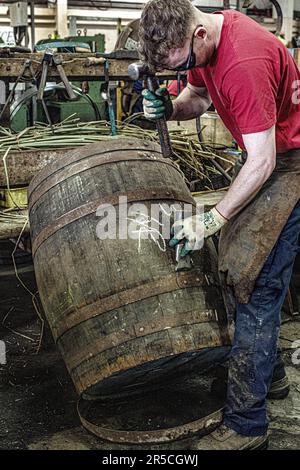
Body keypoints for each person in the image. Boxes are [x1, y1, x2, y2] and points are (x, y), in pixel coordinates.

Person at [139, 0, 300, 450]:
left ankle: (247, 425)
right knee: (236, 267)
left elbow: (263, 159)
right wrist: (168, 109)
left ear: (199, 35)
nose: (186, 69)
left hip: (288, 164)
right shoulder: (205, 46)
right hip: (266, 159)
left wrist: (213, 217)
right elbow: (197, 97)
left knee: (256, 283)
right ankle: (268, 380)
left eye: (184, 61)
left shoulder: (244, 60)